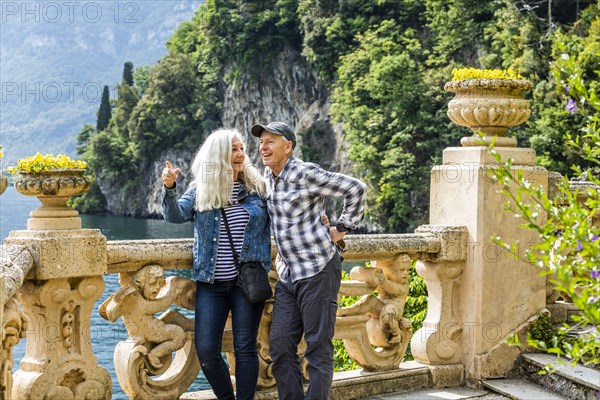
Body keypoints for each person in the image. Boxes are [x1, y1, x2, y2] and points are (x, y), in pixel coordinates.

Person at [251, 121, 367, 400]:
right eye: (261, 142)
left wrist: (340, 227)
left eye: (270, 141)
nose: (263, 147)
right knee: (279, 347)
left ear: (288, 147)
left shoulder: (305, 173)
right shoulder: (266, 177)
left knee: (317, 346)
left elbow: (356, 188)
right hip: (288, 274)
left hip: (318, 270)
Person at [161, 129, 271, 400]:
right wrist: (169, 188)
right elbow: (175, 216)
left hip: (247, 283)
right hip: (211, 284)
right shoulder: (201, 189)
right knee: (207, 350)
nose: (241, 154)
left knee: (245, 347)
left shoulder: (256, 189)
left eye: (242, 148)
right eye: (233, 149)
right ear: (218, 154)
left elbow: (282, 218)